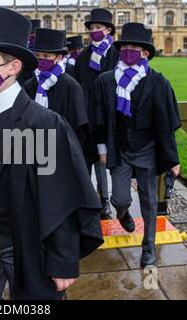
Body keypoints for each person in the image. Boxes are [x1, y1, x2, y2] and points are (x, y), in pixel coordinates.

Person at [0, 5, 103, 300]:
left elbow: (61, 198)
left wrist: (62, 261)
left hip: (27, 245)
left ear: (13, 67)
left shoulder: (45, 125)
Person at [88, 22, 181, 267]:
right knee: (119, 198)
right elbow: (97, 120)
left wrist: (173, 159)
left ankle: (148, 247)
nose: (128, 50)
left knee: (150, 201)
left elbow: (167, 124)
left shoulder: (159, 82)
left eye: (134, 47)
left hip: (147, 149)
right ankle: (123, 214)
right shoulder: (106, 81)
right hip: (119, 149)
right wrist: (102, 149)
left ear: (146, 53)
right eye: (125, 46)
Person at [74, 8, 119, 219]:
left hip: (107, 116)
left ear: (108, 30)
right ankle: (86, 201)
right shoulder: (83, 56)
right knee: (84, 161)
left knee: (104, 160)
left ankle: (104, 201)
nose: (94, 31)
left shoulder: (115, 55)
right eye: (91, 28)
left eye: (98, 28)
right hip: (86, 115)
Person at [22, 28, 88, 146]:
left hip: (62, 148)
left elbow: (78, 126)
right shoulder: (30, 85)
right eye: (38, 55)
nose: (41, 59)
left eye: (46, 56)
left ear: (58, 58)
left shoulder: (71, 86)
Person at [17, 18, 41, 85]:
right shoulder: (23, 50)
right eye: (32, 34)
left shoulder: (42, 48)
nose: (33, 36)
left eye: (35, 34)